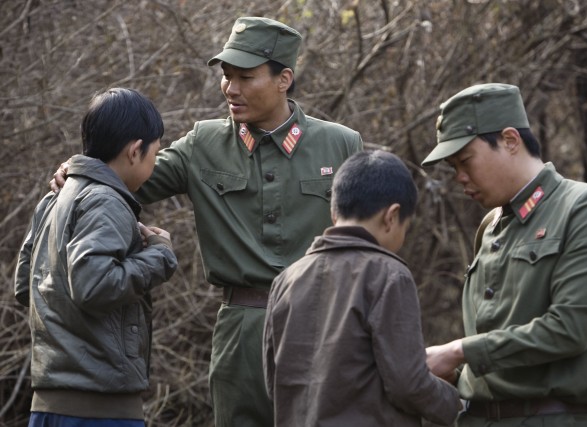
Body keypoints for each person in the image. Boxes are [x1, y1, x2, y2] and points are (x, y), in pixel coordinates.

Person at [50, 16, 363, 427]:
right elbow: (126, 179)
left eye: (245, 77)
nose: (230, 89)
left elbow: (368, 246)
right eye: (226, 76)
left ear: (284, 78)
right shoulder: (204, 144)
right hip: (241, 329)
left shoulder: (341, 144)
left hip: (325, 325)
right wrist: (82, 174)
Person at [421, 83, 587, 427]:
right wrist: (451, 370)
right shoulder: (490, 225)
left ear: (510, 140)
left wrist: (459, 351)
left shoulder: (586, 208)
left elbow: (568, 329)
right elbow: (496, 337)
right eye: (453, 167)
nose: (459, 177)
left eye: (465, 161)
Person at [15, 88, 178, 426]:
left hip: (48, 406)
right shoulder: (106, 200)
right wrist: (159, 255)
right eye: (155, 154)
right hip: (100, 409)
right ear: (135, 151)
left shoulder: (54, 199)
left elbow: (24, 285)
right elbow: (95, 285)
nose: (154, 163)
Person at [263, 150, 461, 427]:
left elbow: (274, 382)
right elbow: (408, 383)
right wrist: (462, 408)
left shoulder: (286, 280)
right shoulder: (389, 275)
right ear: (392, 216)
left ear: (334, 213)